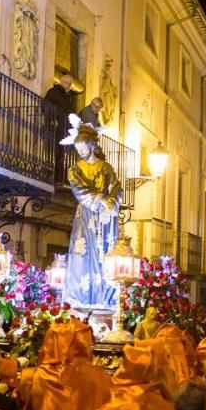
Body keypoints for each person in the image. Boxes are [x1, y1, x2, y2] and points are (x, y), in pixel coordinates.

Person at [60, 117, 122, 309]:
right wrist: (102, 200)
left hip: (105, 219)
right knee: (83, 253)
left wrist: (111, 203)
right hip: (87, 216)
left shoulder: (106, 168)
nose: (81, 153)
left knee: (105, 253)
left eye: (83, 149)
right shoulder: (74, 170)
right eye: (78, 150)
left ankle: (106, 298)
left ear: (92, 146)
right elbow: (80, 191)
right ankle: (82, 299)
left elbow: (116, 187)